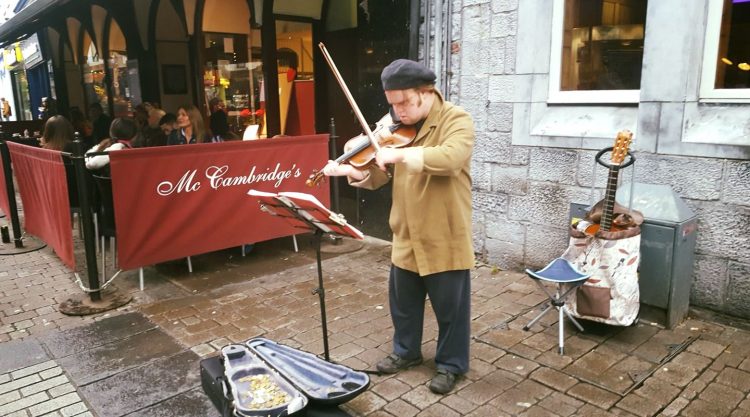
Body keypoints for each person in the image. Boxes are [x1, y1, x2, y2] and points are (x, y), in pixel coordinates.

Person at [322, 59, 475, 395]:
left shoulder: (456, 120)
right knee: (403, 305)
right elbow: (376, 176)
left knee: (451, 309)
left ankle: (451, 364)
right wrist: (351, 172)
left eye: (404, 102)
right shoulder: (394, 131)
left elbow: (450, 158)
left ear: (426, 92)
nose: (398, 111)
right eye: (392, 104)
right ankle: (406, 352)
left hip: (443, 233)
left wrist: (402, 157)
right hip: (405, 234)